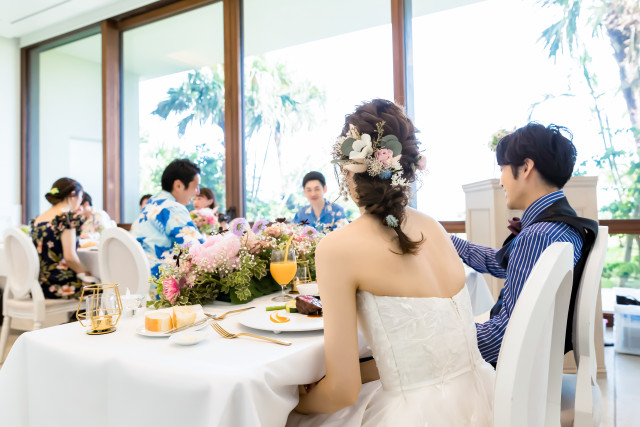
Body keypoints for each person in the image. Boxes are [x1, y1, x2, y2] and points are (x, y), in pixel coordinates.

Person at [288, 99, 495, 426]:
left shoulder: (337, 248)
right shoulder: (435, 229)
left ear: (347, 168)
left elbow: (342, 391)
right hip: (483, 399)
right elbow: (424, 351)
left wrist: (293, 405)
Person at [451, 122, 599, 365]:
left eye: (503, 169)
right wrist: (450, 243)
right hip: (534, 354)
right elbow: (504, 263)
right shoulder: (560, 224)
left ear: (526, 167)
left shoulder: (539, 235)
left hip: (512, 364)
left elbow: (504, 337)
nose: (501, 181)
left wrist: (444, 339)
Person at [131, 159, 205, 280]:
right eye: (196, 186)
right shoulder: (173, 208)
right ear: (178, 185)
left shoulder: (151, 203)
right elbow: (198, 250)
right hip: (158, 282)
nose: (197, 192)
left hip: (136, 277)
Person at [30, 178, 98, 299]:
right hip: (59, 284)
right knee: (99, 289)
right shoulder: (66, 217)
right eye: (81, 196)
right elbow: (70, 257)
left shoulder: (39, 219)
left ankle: (73, 318)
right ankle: (77, 318)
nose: (81, 201)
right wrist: (83, 273)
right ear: (73, 194)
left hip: (38, 284)